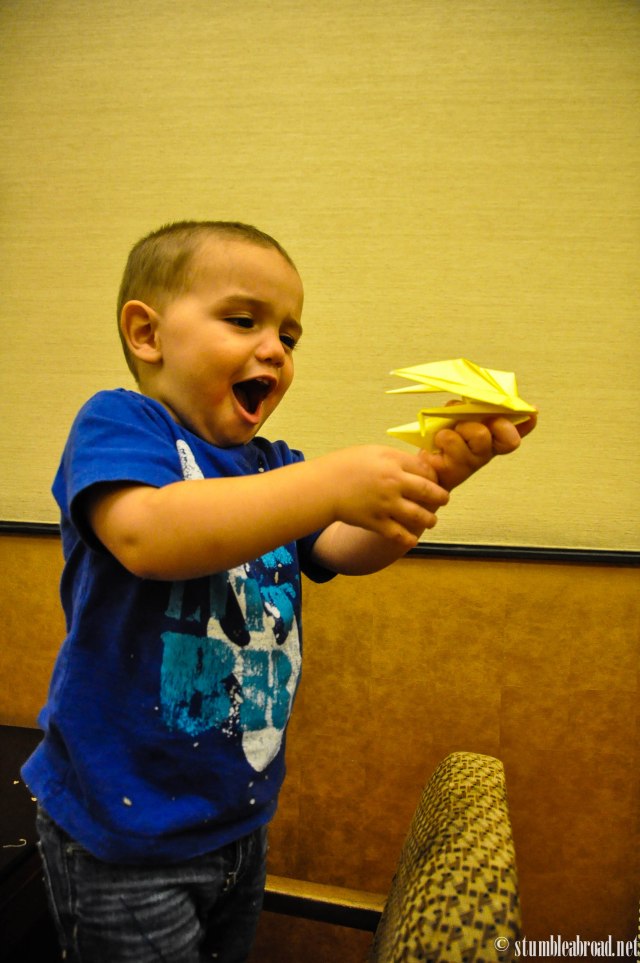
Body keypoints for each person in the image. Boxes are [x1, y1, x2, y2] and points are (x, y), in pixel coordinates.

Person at [22, 220, 536, 963]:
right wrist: (329, 481)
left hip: (236, 820)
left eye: (290, 337)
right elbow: (148, 534)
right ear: (147, 333)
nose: (275, 350)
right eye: (243, 320)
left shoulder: (274, 466)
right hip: (120, 829)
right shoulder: (120, 424)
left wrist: (439, 474)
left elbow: (348, 548)